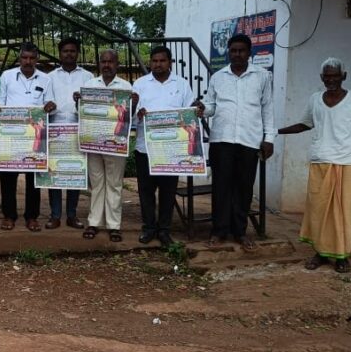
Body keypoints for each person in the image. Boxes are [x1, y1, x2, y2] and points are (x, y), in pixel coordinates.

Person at [278, 57, 351, 273]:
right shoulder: (315, 99)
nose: (331, 80)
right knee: (318, 210)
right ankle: (320, 253)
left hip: (347, 162)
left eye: (335, 75)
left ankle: (342, 256)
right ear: (322, 78)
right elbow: (304, 124)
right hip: (320, 161)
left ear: (343, 76)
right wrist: (276, 132)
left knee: (342, 212)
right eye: (327, 76)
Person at [195, 33, 275, 250]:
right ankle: (219, 231)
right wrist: (203, 109)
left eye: (241, 50)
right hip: (221, 139)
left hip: (249, 140)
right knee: (221, 187)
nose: (237, 54)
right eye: (233, 50)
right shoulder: (218, 77)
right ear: (228, 52)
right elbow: (211, 106)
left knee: (243, 188)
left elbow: (267, 109)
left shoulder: (262, 77)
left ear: (249, 53)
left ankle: (240, 231)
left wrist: (269, 138)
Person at [132, 45, 195, 247]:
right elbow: (129, 117)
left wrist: (197, 111)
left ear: (170, 62)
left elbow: (189, 113)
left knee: (168, 191)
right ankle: (149, 228)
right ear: (150, 62)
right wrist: (137, 114)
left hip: (172, 150)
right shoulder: (140, 84)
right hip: (145, 148)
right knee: (146, 191)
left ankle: (165, 230)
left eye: (162, 61)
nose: (158, 64)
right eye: (154, 61)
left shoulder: (182, 84)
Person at [0, 42, 57, 231]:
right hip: (11, 134)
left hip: (34, 136)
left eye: (31, 58)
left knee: (33, 178)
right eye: (24, 58)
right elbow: (1, 100)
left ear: (37, 59)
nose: (28, 61)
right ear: (19, 58)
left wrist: (51, 106)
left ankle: (32, 217)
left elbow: (49, 102)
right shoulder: (7, 76)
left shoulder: (45, 79)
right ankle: (9, 216)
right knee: (8, 177)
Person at [78, 49, 132, 242]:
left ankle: (114, 226)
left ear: (117, 64)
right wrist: (79, 101)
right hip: (94, 143)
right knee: (97, 183)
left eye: (110, 62)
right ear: (99, 64)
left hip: (115, 143)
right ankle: (93, 223)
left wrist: (134, 103)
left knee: (115, 184)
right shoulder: (90, 85)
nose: (107, 65)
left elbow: (127, 117)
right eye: (103, 62)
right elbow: (83, 114)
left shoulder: (126, 87)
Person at [47, 37, 94, 229]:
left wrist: (81, 102)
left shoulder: (88, 77)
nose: (69, 54)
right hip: (55, 130)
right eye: (65, 51)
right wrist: (49, 106)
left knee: (75, 172)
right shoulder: (49, 76)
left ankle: (72, 215)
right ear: (60, 53)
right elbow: (46, 101)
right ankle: (55, 215)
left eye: (72, 51)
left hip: (78, 130)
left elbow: (92, 104)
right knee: (54, 174)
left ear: (78, 53)